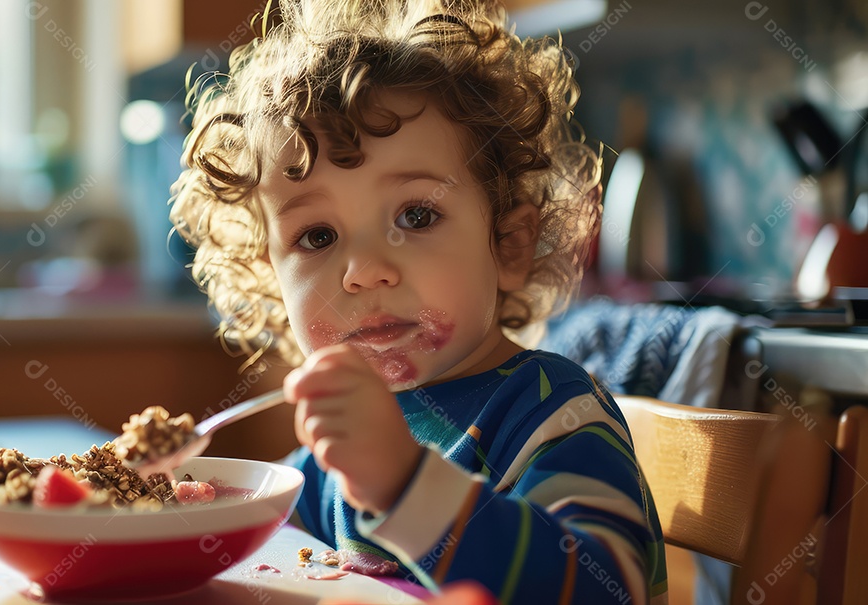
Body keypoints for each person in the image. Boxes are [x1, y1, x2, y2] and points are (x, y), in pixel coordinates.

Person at [169, 0, 666, 602]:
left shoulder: (549, 415)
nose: (364, 271)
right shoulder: (328, 457)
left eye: (417, 214)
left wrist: (405, 484)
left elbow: (607, 589)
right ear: (274, 275)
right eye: (317, 237)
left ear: (507, 246)